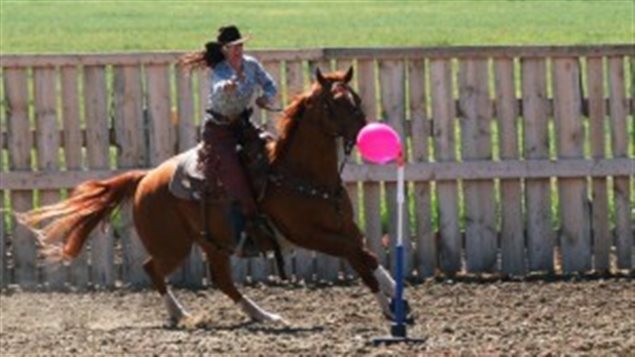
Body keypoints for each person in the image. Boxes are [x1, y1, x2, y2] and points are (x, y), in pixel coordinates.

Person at [179, 25, 278, 255]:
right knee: (235, 175)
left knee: (272, 152)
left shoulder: (252, 64)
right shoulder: (219, 70)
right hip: (219, 131)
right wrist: (228, 86)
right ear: (224, 50)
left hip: (243, 126)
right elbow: (219, 86)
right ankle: (247, 228)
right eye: (233, 47)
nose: (238, 50)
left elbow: (269, 84)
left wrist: (267, 98)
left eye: (240, 45)